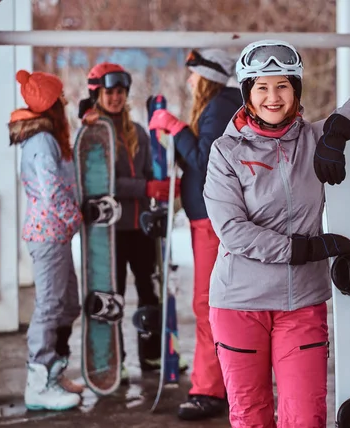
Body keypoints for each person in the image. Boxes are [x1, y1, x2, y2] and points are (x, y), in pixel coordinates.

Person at [202, 40, 350, 427]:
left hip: (301, 303)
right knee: (250, 417)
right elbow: (233, 232)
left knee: (306, 417)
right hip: (239, 305)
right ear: (247, 94)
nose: (273, 97)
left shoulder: (315, 140)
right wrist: (306, 249)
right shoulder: (226, 152)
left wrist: (338, 132)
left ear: (296, 91)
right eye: (262, 87)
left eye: (283, 86)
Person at [148, 48, 241, 420]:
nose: (189, 81)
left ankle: (209, 390)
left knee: (208, 304)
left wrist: (176, 128)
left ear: (208, 78)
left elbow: (207, 161)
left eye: (194, 74)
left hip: (211, 223)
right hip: (208, 220)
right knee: (216, 304)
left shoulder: (219, 106)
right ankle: (226, 385)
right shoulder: (224, 104)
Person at [78, 62, 186, 381]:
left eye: (120, 92)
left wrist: (162, 183)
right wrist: (144, 187)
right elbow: (101, 182)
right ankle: (116, 360)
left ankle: (152, 356)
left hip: (141, 226)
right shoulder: (92, 133)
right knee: (113, 296)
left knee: (150, 291)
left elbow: (146, 170)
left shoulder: (137, 130)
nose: (115, 98)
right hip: (109, 231)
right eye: (109, 92)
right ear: (97, 94)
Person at [9, 70, 83, 410]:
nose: (64, 105)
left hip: (57, 233)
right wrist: (76, 217)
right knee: (50, 306)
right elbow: (52, 189)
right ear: (51, 105)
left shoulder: (48, 138)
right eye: (61, 100)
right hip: (48, 234)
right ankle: (38, 384)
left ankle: (54, 370)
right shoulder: (40, 141)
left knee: (68, 304)